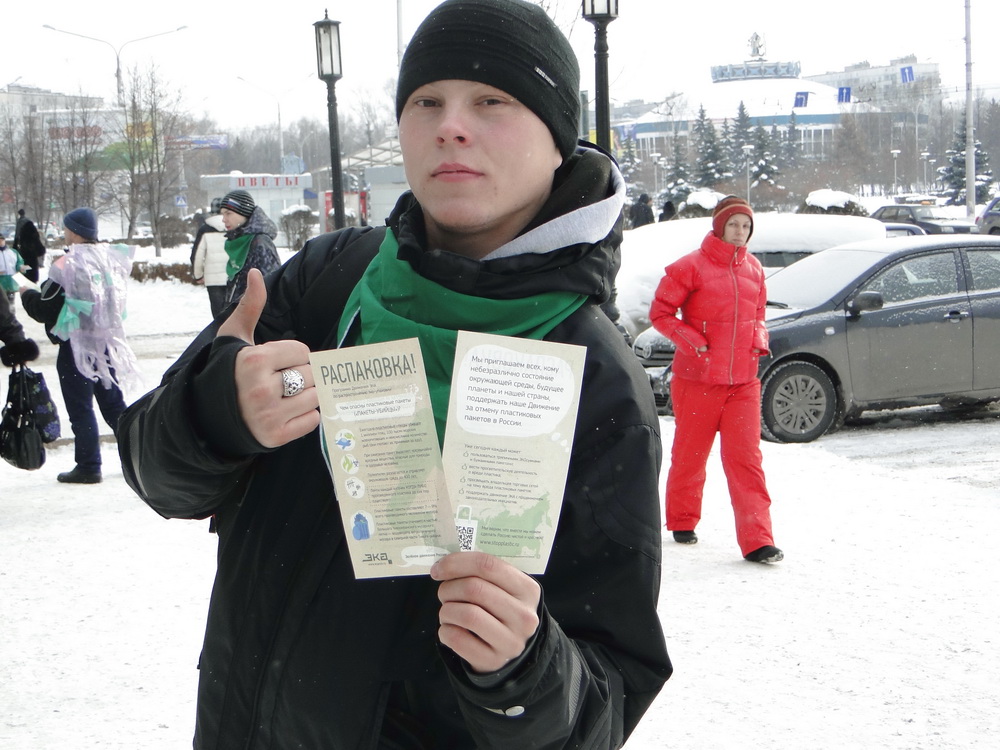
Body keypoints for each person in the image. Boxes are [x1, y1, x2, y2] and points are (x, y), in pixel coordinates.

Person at [117, 0, 671, 747]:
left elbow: (602, 704)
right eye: (426, 101)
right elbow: (154, 471)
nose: (450, 124)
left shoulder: (596, 375)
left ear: (555, 139)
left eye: (492, 100)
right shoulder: (325, 280)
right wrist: (216, 413)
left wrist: (522, 671)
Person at [649, 195, 783, 564]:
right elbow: (661, 313)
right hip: (697, 379)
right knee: (691, 456)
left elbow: (758, 317)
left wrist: (759, 342)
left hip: (743, 381)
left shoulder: (755, 269)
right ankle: (681, 519)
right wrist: (692, 340)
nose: (741, 231)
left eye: (746, 225)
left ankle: (759, 540)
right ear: (719, 226)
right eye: (734, 224)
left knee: (746, 461)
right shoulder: (689, 266)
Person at [20, 207, 138, 484]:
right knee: (113, 405)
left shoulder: (66, 264)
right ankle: (139, 455)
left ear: (74, 231)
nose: (64, 233)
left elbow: (47, 308)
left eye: (66, 228)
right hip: (105, 343)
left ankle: (88, 465)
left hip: (75, 347)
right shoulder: (108, 258)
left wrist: (27, 295)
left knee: (81, 407)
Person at [217, 189, 279, 307]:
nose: (223, 219)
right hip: (238, 314)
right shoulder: (238, 241)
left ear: (243, 213)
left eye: (228, 213)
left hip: (252, 320)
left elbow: (270, 289)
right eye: (222, 214)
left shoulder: (260, 243)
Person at [191, 210, 229, 318]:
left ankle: (219, 333)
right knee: (233, 311)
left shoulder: (204, 229)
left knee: (218, 313)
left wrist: (198, 275)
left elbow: (197, 255)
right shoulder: (234, 227)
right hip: (232, 276)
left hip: (213, 279)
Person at [12, 217, 46, 283]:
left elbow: (14, 250)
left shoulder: (19, 237)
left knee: (23, 284)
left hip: (22, 264)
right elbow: (41, 251)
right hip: (32, 264)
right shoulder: (34, 236)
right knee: (32, 284)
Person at [0, 234, 27, 304]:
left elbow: (19, 262)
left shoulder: (13, 252)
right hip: (1, 281)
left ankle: (10, 312)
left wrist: (21, 267)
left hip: (11, 281)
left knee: (10, 303)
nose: (1, 241)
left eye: (2, 239)